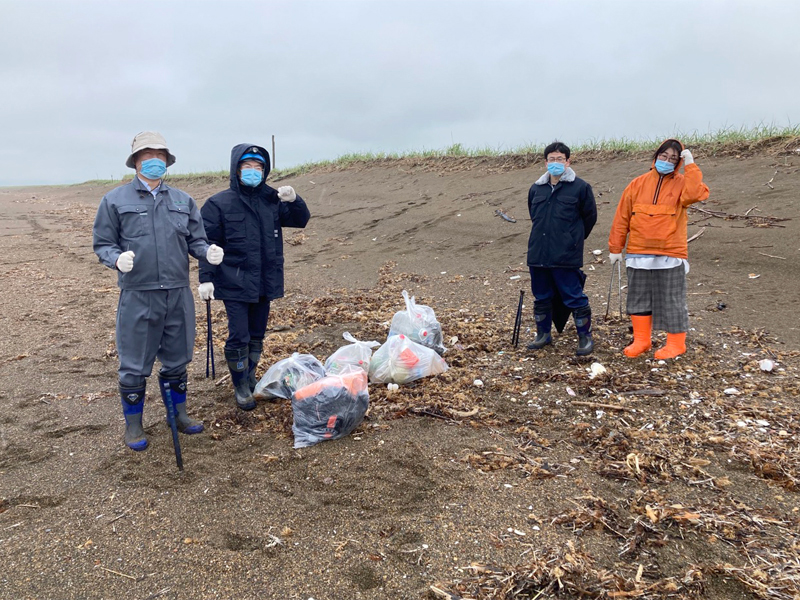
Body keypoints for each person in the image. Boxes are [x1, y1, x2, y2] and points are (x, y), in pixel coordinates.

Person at [93, 131, 224, 451]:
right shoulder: (114, 200)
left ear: (168, 160)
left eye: (160, 156)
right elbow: (103, 244)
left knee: (178, 358)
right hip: (138, 293)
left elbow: (196, 239)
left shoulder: (183, 200)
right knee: (134, 364)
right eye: (147, 156)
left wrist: (207, 252)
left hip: (177, 292)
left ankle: (177, 413)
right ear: (135, 161)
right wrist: (116, 259)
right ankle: (134, 425)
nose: (155, 161)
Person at [199, 144, 310, 410]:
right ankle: (240, 385)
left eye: (258, 167)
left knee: (258, 333)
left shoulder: (272, 198)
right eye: (247, 167)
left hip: (265, 280)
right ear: (236, 169)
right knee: (239, 334)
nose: (253, 172)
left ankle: (250, 376)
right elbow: (207, 244)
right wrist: (206, 278)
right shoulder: (218, 203)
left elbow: (300, 220)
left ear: (265, 170)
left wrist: (294, 199)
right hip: (232, 280)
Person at [608, 139, 710, 359]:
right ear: (656, 157)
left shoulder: (683, 182)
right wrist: (615, 248)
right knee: (638, 298)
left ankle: (676, 343)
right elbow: (622, 217)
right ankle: (642, 340)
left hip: (670, 253)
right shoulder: (637, 184)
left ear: (679, 162)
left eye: (674, 158)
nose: (667, 161)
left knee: (673, 299)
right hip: (638, 252)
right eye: (664, 156)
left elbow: (695, 194)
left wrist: (691, 165)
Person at [526, 141, 597, 355]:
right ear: (545, 162)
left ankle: (585, 337)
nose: (555, 162)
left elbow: (589, 218)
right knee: (541, 296)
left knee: (574, 296)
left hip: (566, 255)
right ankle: (543, 335)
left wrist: (571, 240)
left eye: (560, 159)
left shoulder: (580, 187)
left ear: (568, 161)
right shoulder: (536, 188)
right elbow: (534, 217)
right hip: (538, 253)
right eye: (551, 159)